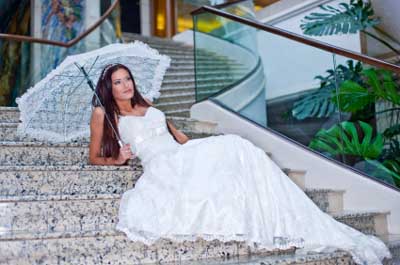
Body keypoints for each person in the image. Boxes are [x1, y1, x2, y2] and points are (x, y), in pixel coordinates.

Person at [89, 63, 391, 265]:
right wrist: (118, 158)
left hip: (180, 154)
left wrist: (199, 148)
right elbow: (94, 157)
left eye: (127, 78)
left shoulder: (148, 105)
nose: (126, 85)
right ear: (110, 88)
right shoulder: (105, 115)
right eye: (118, 82)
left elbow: (178, 138)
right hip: (161, 167)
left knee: (237, 146)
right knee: (232, 150)